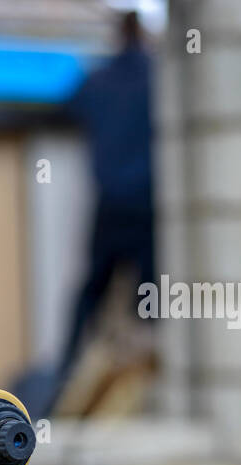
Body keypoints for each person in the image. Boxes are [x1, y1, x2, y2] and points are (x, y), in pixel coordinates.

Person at [56, 10, 157, 391]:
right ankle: (148, 372)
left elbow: (64, 110)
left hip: (110, 202)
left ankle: (68, 367)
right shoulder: (160, 77)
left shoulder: (98, 79)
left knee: (93, 288)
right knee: (151, 293)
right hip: (150, 205)